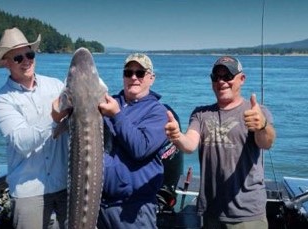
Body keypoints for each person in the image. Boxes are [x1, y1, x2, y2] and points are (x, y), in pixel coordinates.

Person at [164, 56, 276, 229]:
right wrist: (177, 136)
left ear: (242, 79)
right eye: (216, 77)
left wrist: (262, 126)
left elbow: (266, 142)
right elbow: (190, 144)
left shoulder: (257, 112)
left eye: (228, 76)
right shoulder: (201, 114)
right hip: (211, 212)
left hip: (247, 214)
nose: (221, 81)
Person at [0, 27, 69, 229]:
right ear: (5, 62)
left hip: (66, 185)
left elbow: (86, 88)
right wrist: (54, 117)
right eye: (18, 58)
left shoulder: (57, 86)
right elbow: (22, 142)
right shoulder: (1, 100)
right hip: (29, 191)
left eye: (29, 54)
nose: (26, 61)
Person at [97, 53, 169, 229]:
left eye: (140, 73)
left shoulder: (158, 112)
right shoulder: (109, 102)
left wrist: (116, 115)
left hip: (134, 210)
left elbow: (141, 148)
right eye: (129, 73)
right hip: (99, 206)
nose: (134, 77)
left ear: (151, 78)